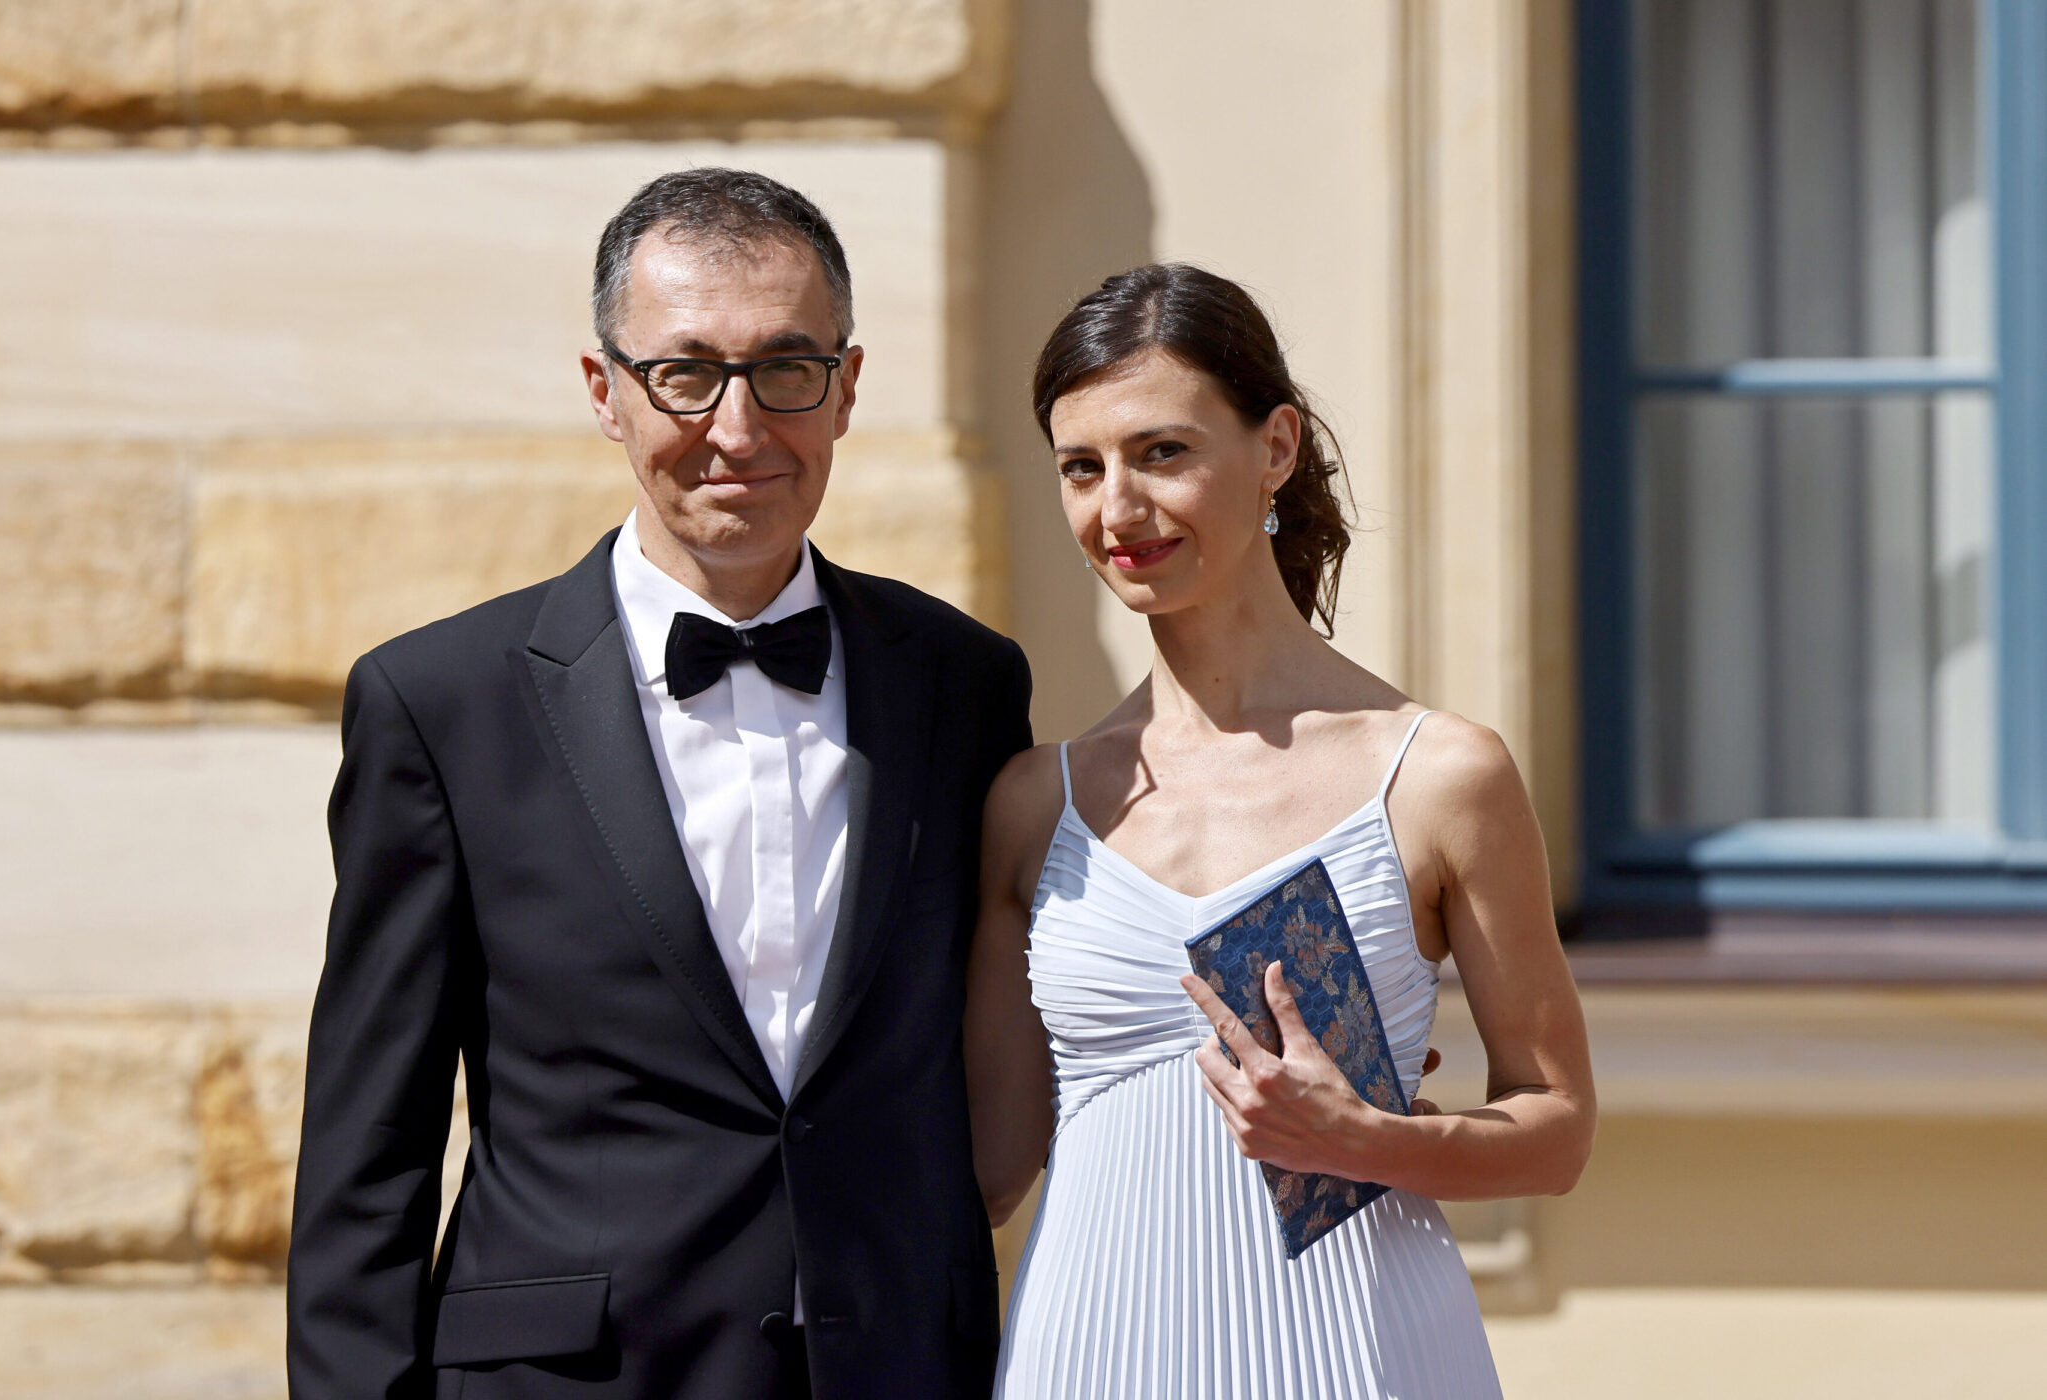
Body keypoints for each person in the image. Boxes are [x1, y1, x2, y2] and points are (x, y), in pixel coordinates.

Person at [287, 168, 1032, 1400]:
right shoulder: (440, 700)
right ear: (606, 392)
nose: (737, 428)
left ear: (847, 388)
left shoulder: (963, 682)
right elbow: (371, 1141)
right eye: (685, 373)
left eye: (787, 368)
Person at [966, 263, 1596, 1398]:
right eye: (1081, 466)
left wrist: (1367, 1139)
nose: (1117, 509)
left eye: (1162, 451)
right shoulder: (1035, 802)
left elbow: (1554, 1130)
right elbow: (986, 1166)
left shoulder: (1441, 775)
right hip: (1091, 1345)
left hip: (1361, 1349)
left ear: (1277, 447)